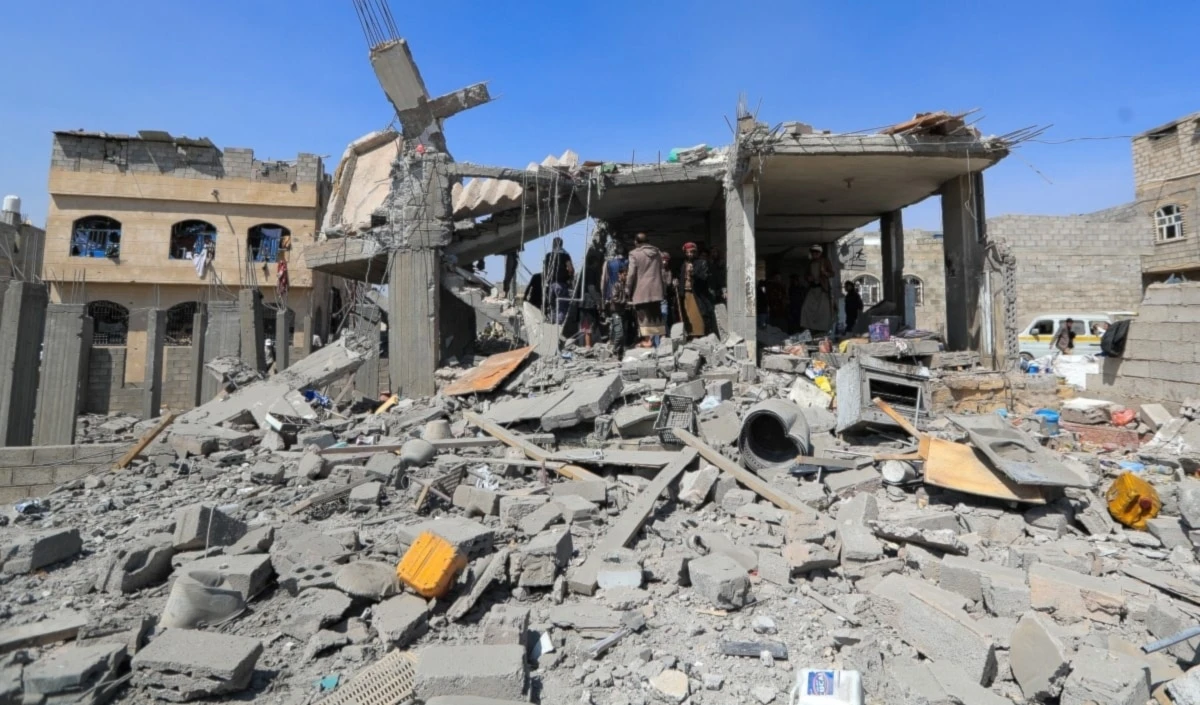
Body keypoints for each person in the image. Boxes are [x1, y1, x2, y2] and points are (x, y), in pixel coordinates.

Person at [625, 232, 666, 347]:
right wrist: (663, 287)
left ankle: (648, 341)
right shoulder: (657, 252)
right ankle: (662, 339)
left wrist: (627, 288)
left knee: (643, 316)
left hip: (641, 290)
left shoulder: (634, 254)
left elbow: (631, 273)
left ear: (636, 242)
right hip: (656, 289)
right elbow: (662, 271)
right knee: (656, 313)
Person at [799, 244, 835, 333]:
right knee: (806, 308)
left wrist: (825, 273)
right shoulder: (810, 263)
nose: (815, 254)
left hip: (822, 289)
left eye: (816, 252)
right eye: (813, 253)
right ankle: (809, 328)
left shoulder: (825, 261)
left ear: (820, 253)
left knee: (823, 310)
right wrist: (808, 278)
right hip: (813, 288)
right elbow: (806, 275)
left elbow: (832, 273)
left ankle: (823, 329)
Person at [680, 242, 711, 338]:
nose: (690, 254)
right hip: (686, 292)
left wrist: (693, 273)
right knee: (688, 315)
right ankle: (690, 335)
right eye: (687, 252)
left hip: (697, 293)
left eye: (692, 252)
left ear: (695, 252)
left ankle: (700, 335)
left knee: (698, 314)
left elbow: (704, 278)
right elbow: (681, 278)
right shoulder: (684, 264)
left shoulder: (702, 263)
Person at [543, 237, 574, 324]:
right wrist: (569, 279)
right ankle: (559, 326)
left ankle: (552, 323)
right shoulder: (565, 255)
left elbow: (545, 270)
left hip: (550, 285)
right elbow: (571, 269)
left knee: (552, 306)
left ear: (553, 244)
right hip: (561, 284)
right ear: (561, 244)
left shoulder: (548, 255)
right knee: (562, 306)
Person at [607, 260, 630, 356]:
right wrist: (626, 302)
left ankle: (620, 352)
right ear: (619, 275)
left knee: (623, 334)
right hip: (616, 312)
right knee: (619, 333)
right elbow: (615, 298)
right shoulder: (616, 285)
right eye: (624, 274)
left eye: (626, 274)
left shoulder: (626, 286)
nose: (626, 276)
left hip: (623, 312)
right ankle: (614, 350)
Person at [655, 251, 676, 346]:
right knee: (657, 320)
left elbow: (668, 283)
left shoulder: (668, 272)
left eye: (666, 260)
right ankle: (658, 342)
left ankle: (665, 338)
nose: (664, 262)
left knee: (664, 318)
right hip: (655, 298)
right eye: (663, 260)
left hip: (663, 297)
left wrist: (674, 283)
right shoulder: (655, 271)